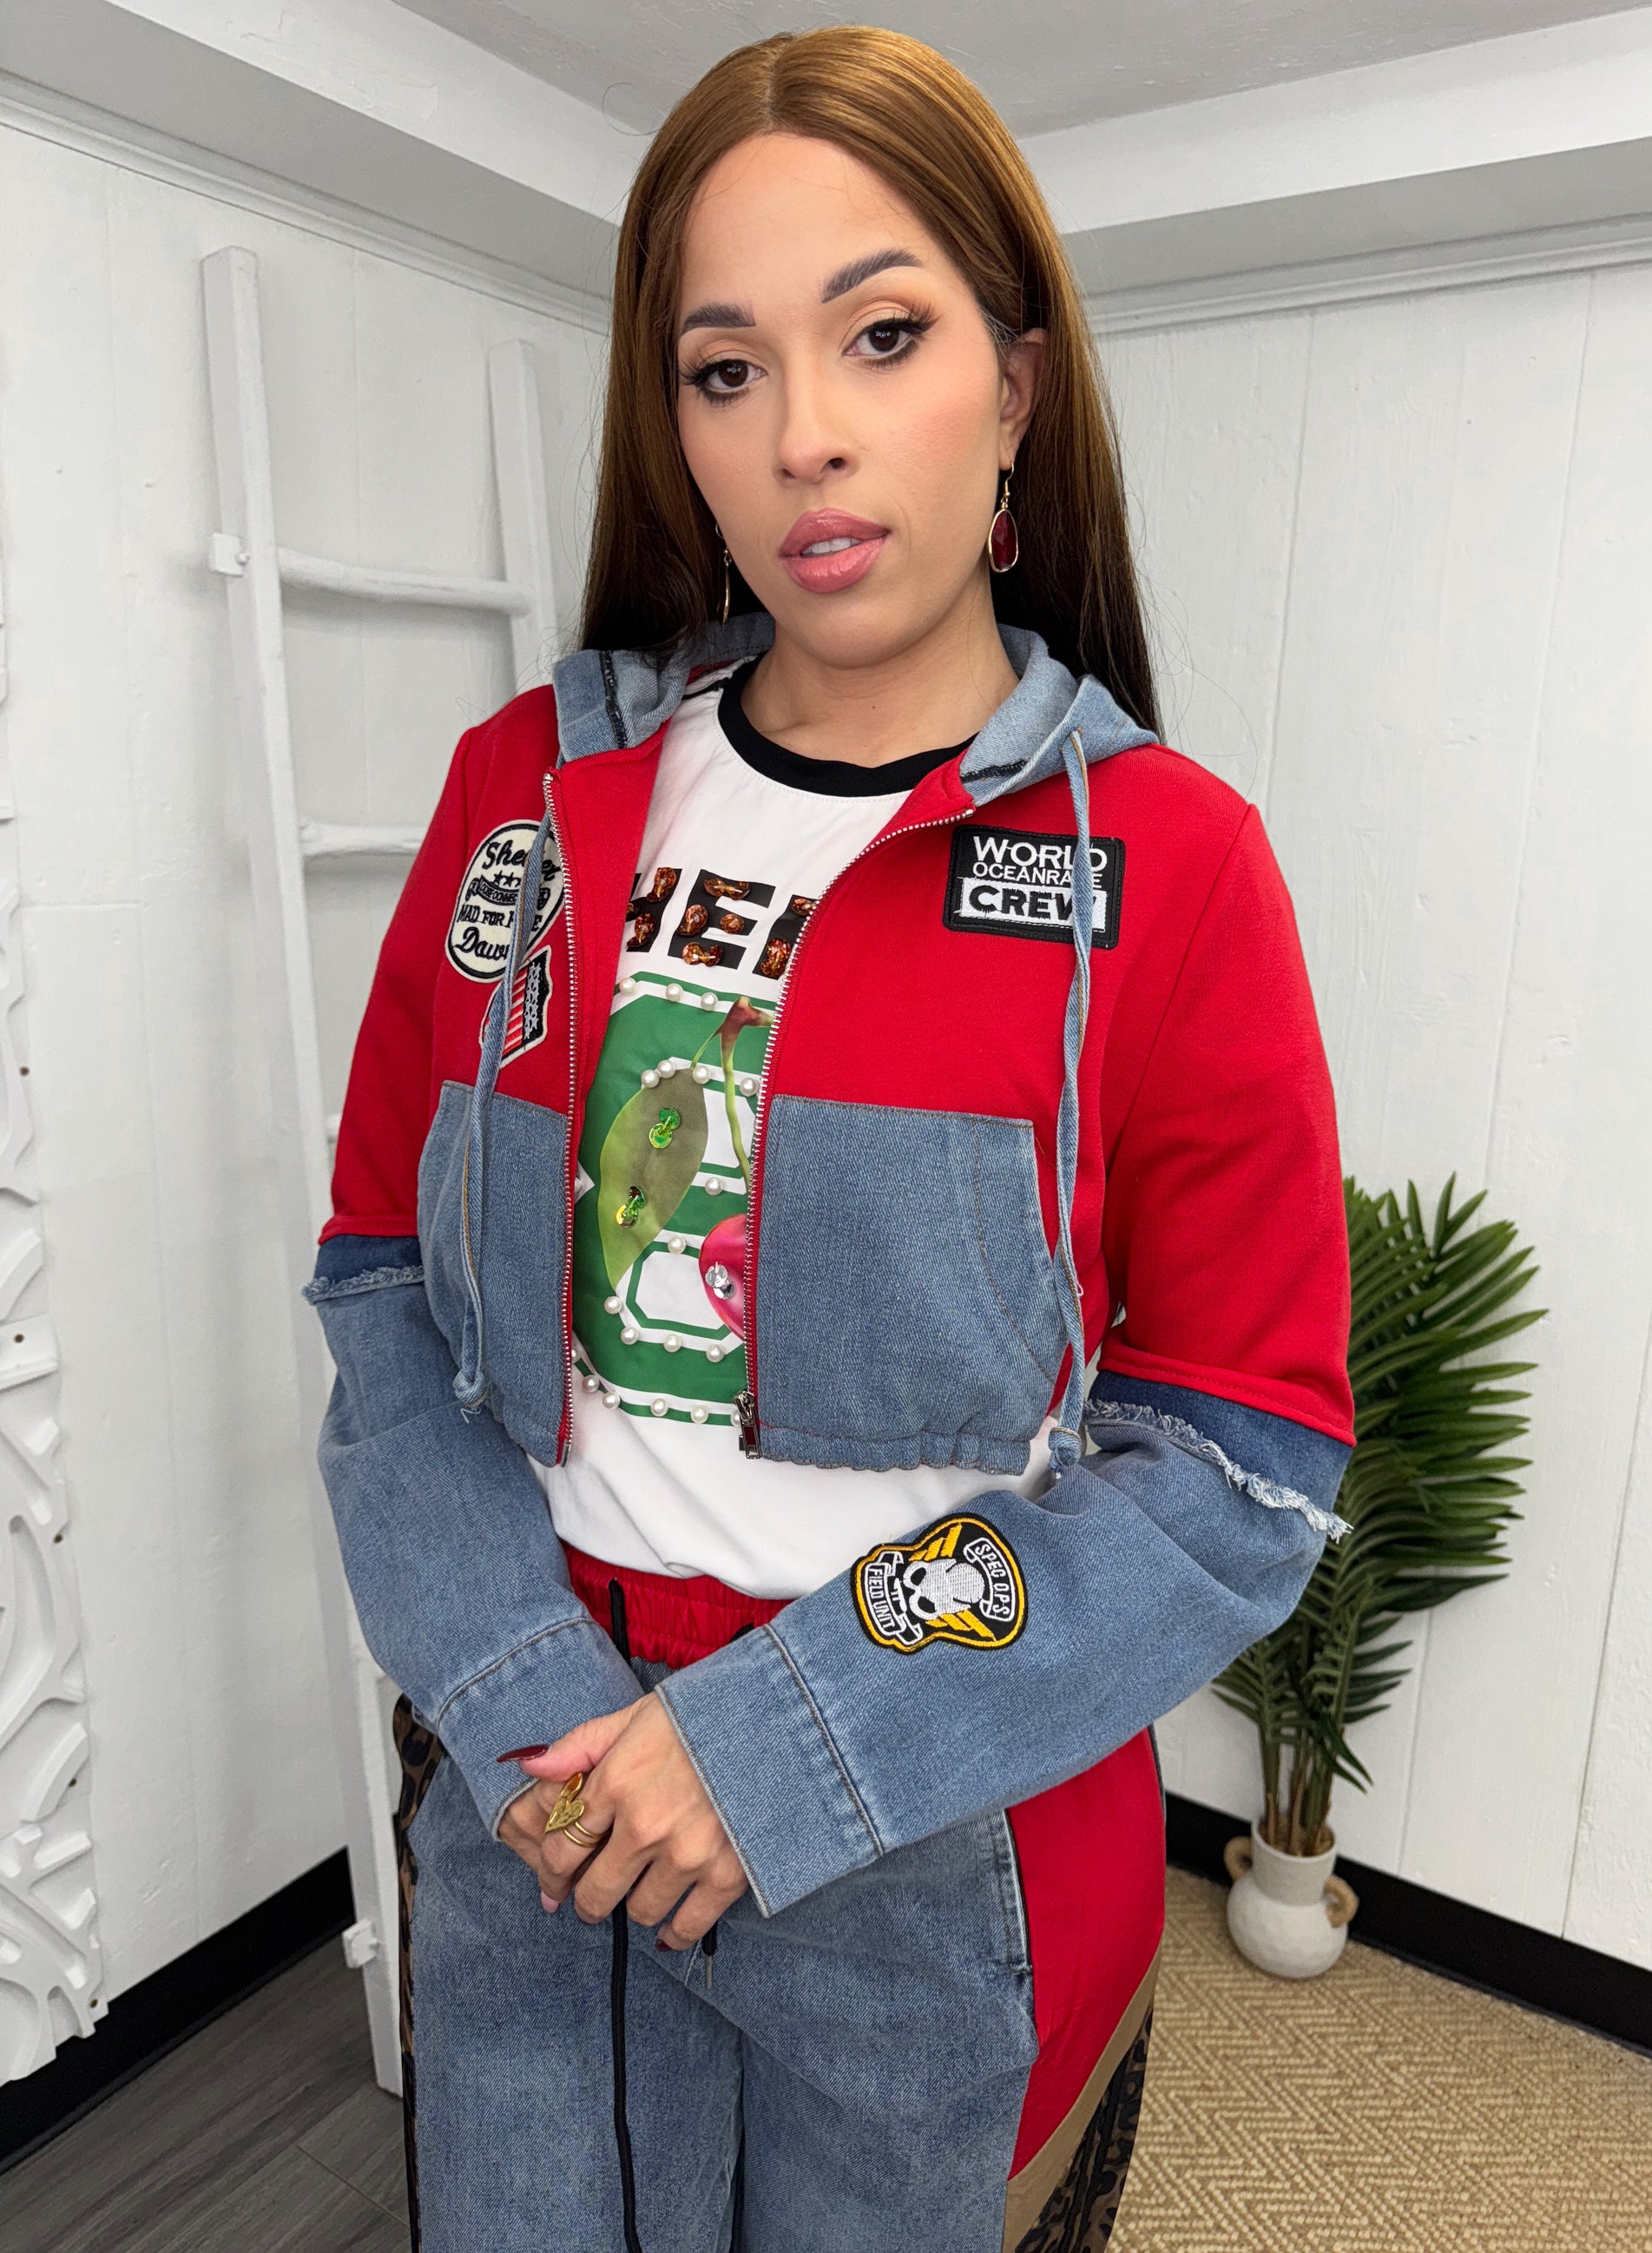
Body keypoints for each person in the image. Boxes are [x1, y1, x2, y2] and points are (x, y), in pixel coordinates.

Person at [306, 26, 1353, 2253]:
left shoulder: (1169, 869)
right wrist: (523, 1693)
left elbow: (1237, 1456)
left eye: (881, 335)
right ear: (672, 425)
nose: (803, 432)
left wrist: (775, 1742)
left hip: (921, 1827)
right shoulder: (524, 794)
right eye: (724, 368)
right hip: (534, 1794)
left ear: (1017, 387)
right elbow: (382, 1276)